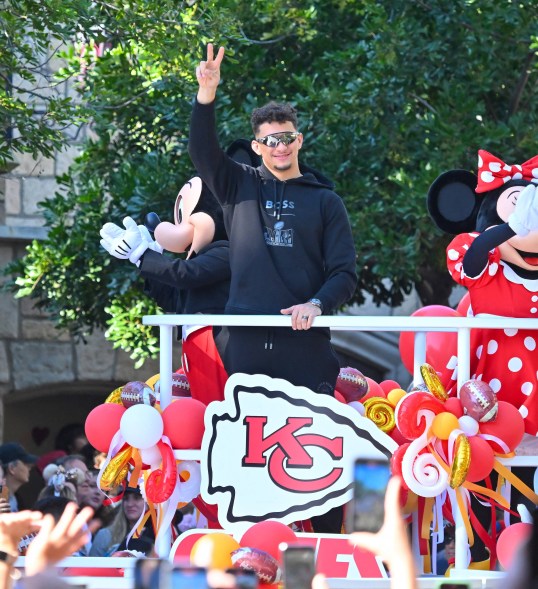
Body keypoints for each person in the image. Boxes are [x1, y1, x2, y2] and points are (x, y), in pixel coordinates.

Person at [188, 44, 357, 533]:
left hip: (304, 346)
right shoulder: (237, 186)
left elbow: (344, 272)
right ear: (258, 146)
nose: (279, 147)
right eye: (269, 140)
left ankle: (315, 566)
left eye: (286, 137)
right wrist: (206, 94)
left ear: (298, 139)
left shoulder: (327, 202)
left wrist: (317, 303)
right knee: (250, 460)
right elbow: (203, 152)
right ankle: (252, 564)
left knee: (315, 459)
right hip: (245, 345)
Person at [89, 486, 152, 556]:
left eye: (137, 498)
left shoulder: (160, 535)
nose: (130, 504)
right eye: (126, 499)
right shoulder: (105, 535)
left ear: (148, 503)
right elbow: (93, 565)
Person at [0, 444, 37, 513]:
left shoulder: (18, 500)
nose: (30, 468)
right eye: (25, 463)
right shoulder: (3, 499)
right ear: (12, 468)